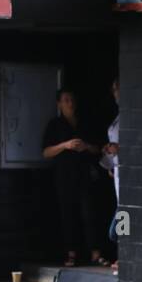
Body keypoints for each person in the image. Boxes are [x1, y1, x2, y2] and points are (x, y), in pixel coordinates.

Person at [42, 88, 106, 267]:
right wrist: (66, 145)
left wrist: (85, 146)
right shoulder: (54, 125)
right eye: (66, 100)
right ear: (59, 104)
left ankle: (95, 253)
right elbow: (46, 152)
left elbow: (99, 148)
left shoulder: (85, 123)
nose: (70, 104)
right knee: (67, 214)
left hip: (84, 175)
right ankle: (71, 253)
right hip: (64, 177)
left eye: (72, 100)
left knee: (89, 213)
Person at [99, 77, 120, 273]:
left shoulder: (131, 115)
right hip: (117, 170)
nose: (116, 93)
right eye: (114, 89)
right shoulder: (118, 117)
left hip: (129, 176)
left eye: (118, 88)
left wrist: (119, 148)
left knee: (120, 222)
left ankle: (124, 255)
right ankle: (123, 255)